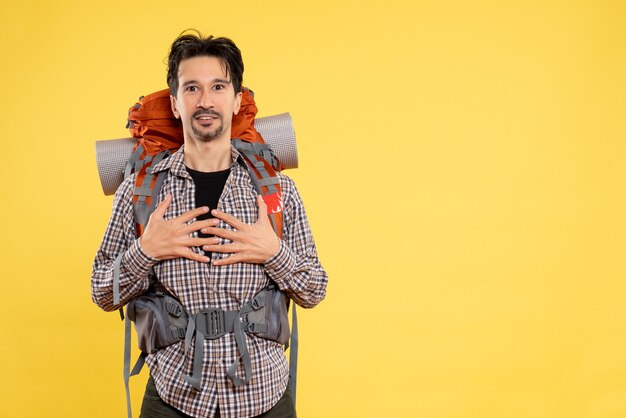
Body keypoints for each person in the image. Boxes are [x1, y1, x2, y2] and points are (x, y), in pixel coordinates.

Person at [91, 31, 328, 418]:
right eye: (192, 88)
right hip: (173, 397)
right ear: (175, 102)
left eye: (218, 86)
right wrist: (145, 251)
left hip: (264, 396)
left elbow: (314, 289)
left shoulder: (276, 189)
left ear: (236, 100)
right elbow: (102, 292)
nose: (205, 100)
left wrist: (274, 253)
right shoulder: (140, 192)